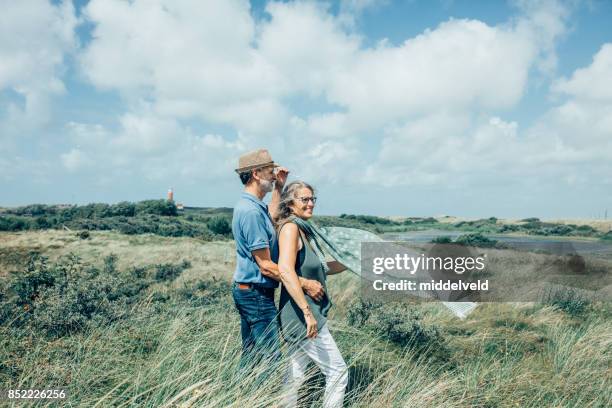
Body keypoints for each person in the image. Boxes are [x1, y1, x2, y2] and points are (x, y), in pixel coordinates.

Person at [231, 149, 324, 370]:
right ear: (256, 173)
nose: (274, 174)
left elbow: (271, 218)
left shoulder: (254, 205)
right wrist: (304, 283)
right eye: (270, 171)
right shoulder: (250, 212)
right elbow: (265, 266)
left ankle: (240, 395)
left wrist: (280, 187)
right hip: (255, 294)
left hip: (250, 291)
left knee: (251, 355)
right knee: (270, 360)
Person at [275, 181, 349, 408]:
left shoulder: (304, 230)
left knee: (294, 377)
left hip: (304, 315)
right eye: (304, 199)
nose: (310, 204)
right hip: (303, 316)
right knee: (338, 372)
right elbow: (285, 270)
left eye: (312, 199)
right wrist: (307, 314)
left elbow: (322, 268)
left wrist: (354, 261)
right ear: (290, 203)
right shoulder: (290, 229)